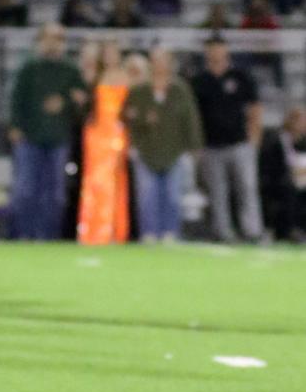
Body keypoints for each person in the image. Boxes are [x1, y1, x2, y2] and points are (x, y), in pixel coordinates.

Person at [6, 23, 86, 240]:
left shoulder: (70, 70)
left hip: (58, 137)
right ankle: (23, 234)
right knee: (26, 190)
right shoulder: (29, 67)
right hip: (29, 136)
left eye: (59, 38)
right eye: (50, 38)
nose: (54, 43)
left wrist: (66, 103)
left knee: (55, 193)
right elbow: (16, 98)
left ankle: (48, 236)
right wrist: (15, 125)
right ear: (41, 40)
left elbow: (82, 100)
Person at [121, 45, 203, 242]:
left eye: (163, 60)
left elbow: (191, 119)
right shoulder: (140, 90)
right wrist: (142, 120)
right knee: (147, 196)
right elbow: (125, 116)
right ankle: (149, 232)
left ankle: (170, 232)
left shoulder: (179, 89)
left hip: (173, 149)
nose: (160, 65)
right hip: (146, 148)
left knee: (172, 195)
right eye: (156, 60)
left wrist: (194, 146)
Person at [190, 39, 264, 243]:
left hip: (239, 143)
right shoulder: (199, 81)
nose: (216, 54)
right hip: (211, 146)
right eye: (212, 51)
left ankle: (252, 231)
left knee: (247, 188)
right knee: (217, 192)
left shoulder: (240, 77)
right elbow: (194, 116)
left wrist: (254, 138)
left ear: (226, 52)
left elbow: (254, 108)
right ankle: (223, 232)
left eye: (219, 50)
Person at [77, 37, 131, 245]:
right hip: (97, 134)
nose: (110, 56)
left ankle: (114, 230)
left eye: (113, 52)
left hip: (118, 134)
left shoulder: (126, 76)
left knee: (116, 182)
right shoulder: (94, 76)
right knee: (95, 182)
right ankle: (93, 230)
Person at [259, 106, 306, 241]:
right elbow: (272, 167)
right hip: (278, 182)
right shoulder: (276, 140)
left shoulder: (302, 141)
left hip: (299, 180)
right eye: (301, 121)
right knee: (289, 191)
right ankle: (288, 230)